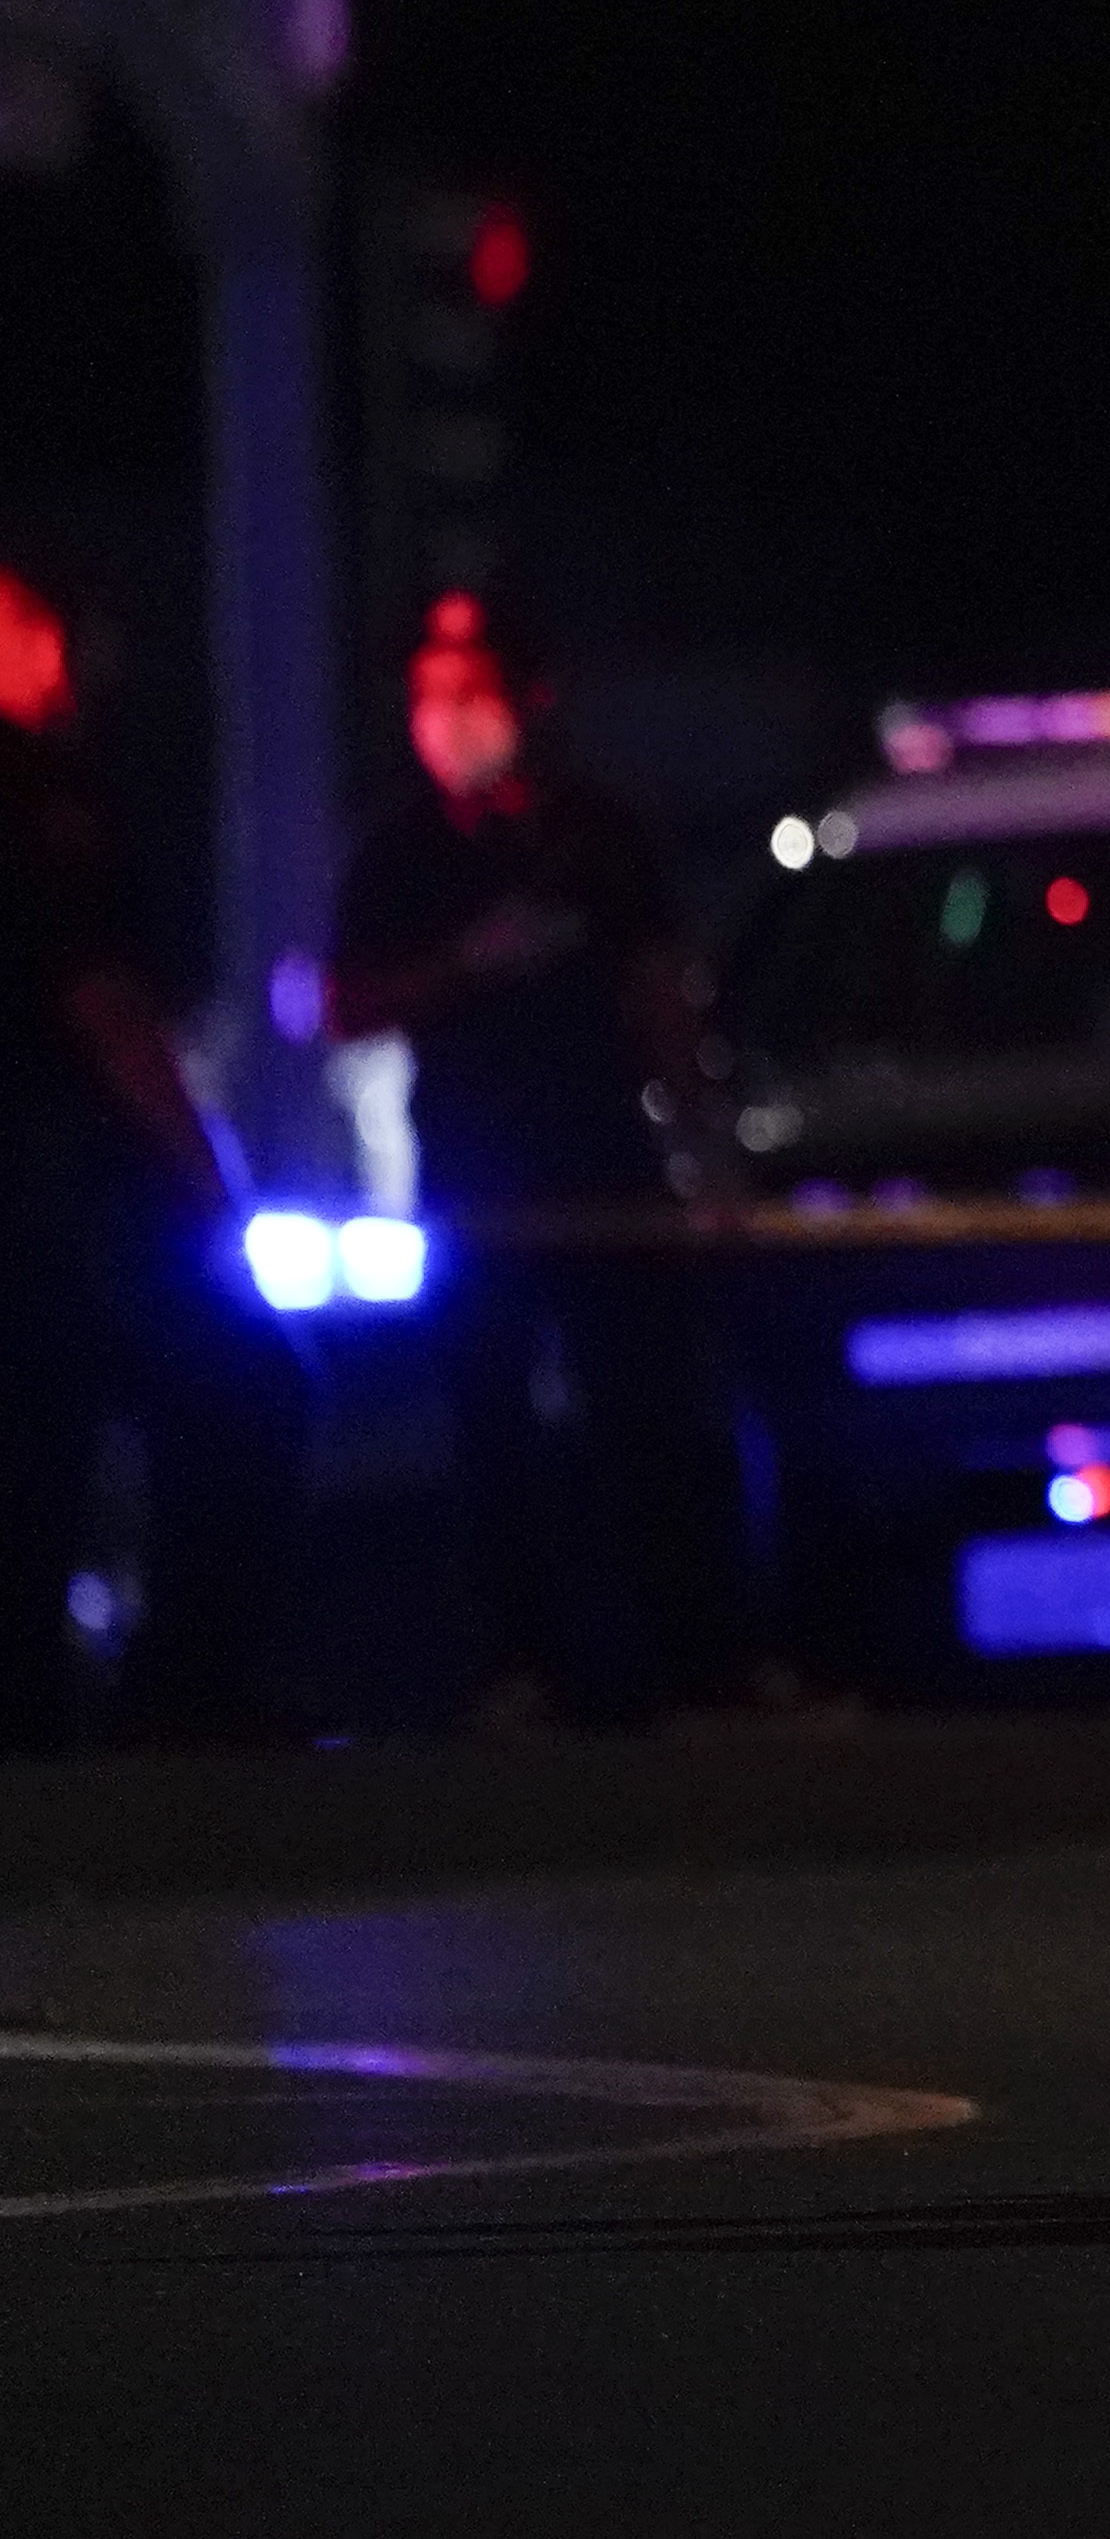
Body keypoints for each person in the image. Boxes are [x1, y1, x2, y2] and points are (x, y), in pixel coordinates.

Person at [326, 590, 744, 1727]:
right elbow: (344, 1003)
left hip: (604, 1172)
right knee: (490, 1434)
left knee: (648, 1422)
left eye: (470, 694)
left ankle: (699, 1671)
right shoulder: (401, 848)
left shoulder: (601, 836)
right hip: (475, 1187)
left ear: (530, 700)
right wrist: (466, 967)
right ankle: (523, 1670)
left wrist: (701, 1147)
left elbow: (660, 993)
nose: (447, 719)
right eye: (428, 698)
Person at [0, 563, 311, 1748]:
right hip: (75, 1190)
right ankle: (184, 1693)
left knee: (35, 1454)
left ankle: (35, 1723)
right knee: (253, 1391)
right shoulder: (40, 795)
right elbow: (104, 1004)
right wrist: (207, 1175)